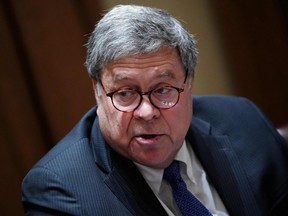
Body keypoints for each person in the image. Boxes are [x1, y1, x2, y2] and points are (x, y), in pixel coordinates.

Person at [21, 4, 288, 216]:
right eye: (125, 93)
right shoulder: (60, 191)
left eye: (162, 90)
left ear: (189, 82)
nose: (147, 112)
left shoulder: (244, 121)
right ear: (98, 90)